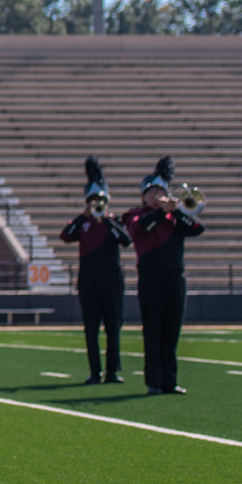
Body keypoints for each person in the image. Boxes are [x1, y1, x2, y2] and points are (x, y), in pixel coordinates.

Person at [121, 156, 203, 395]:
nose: (157, 196)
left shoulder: (175, 217)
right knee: (153, 330)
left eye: (161, 191)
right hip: (150, 277)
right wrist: (162, 211)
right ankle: (154, 382)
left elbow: (198, 229)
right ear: (143, 196)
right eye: (152, 192)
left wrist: (176, 211)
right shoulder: (135, 214)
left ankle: (170, 381)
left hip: (175, 277)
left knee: (172, 331)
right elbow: (137, 229)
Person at [61, 157, 130, 385]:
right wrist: (84, 215)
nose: (97, 204)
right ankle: (94, 371)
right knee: (91, 327)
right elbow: (65, 236)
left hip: (112, 278)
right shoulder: (81, 223)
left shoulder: (114, 222)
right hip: (89, 278)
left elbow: (126, 240)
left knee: (113, 327)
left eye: (100, 200)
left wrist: (107, 220)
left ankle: (112, 371)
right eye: (93, 200)